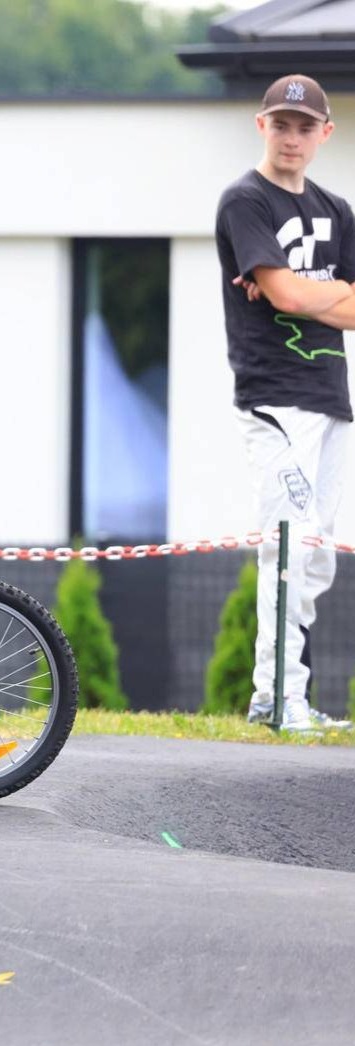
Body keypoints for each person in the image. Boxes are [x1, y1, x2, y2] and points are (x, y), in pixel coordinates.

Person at [216, 74, 355, 732]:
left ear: (324, 133)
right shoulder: (244, 200)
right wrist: (308, 292)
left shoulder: (338, 210)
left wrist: (297, 290)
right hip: (274, 398)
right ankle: (276, 699)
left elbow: (308, 297)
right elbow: (289, 297)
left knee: (317, 555)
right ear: (261, 126)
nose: (291, 137)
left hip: (330, 397)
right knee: (287, 547)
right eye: (280, 124)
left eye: (304, 127)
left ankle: (287, 693)